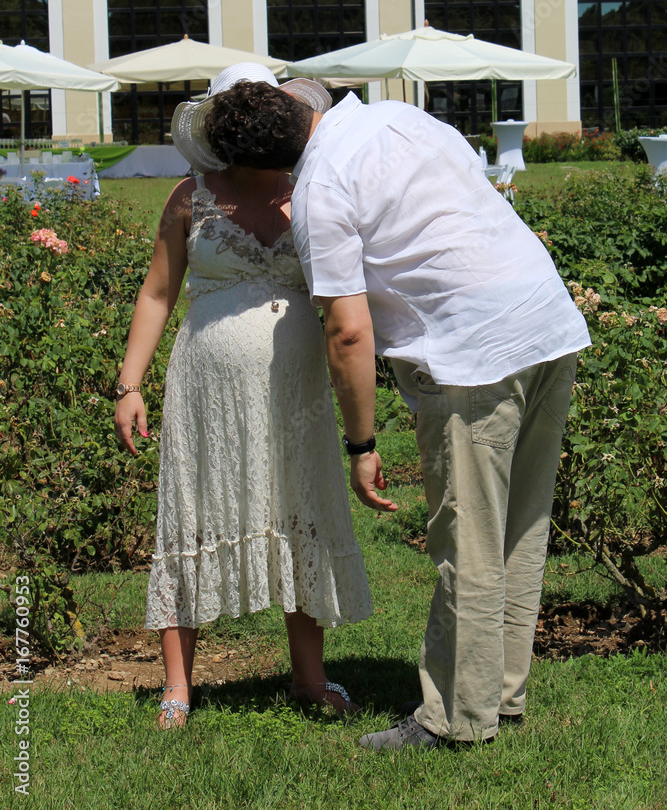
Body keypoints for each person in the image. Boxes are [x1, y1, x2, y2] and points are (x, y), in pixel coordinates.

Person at [204, 74, 591, 750]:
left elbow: (347, 332)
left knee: (466, 538)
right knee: (517, 529)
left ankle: (451, 722)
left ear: (260, 165)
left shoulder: (319, 190)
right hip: (545, 321)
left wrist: (360, 444)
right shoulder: (398, 117)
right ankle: (496, 695)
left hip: (472, 350)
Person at [114, 64, 372, 729]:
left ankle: (308, 678)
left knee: (300, 511)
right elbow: (157, 293)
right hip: (207, 387)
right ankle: (177, 685)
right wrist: (129, 383)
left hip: (298, 392)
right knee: (193, 515)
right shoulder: (189, 197)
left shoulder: (313, 192)